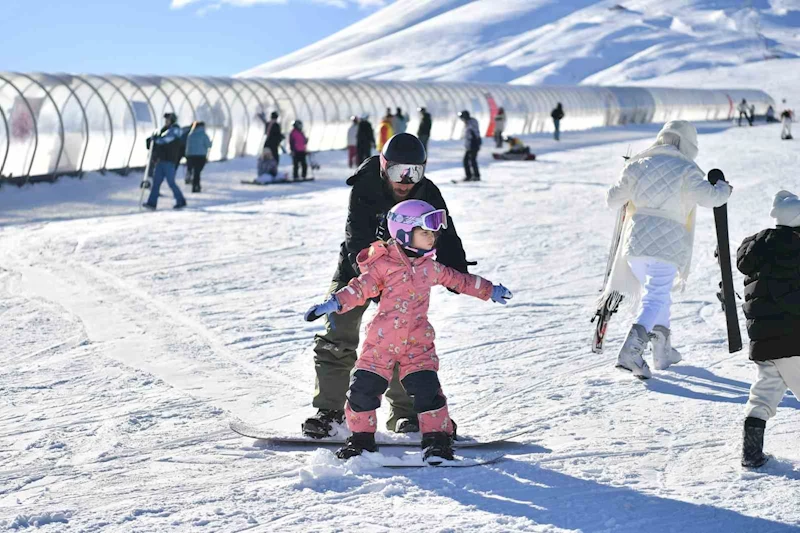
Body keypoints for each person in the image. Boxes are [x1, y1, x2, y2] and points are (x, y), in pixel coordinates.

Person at [304, 199, 513, 462]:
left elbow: (460, 280)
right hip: (380, 343)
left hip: (417, 344)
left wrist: (489, 290)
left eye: (434, 233)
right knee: (362, 391)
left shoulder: (430, 267)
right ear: (403, 232)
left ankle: (437, 441)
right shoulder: (382, 265)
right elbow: (360, 288)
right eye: (425, 232)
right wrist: (334, 303)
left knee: (428, 392)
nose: (432, 238)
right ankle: (361, 440)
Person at [302, 133, 473, 439]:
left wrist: (457, 271)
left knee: (402, 340)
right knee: (337, 332)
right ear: (384, 167)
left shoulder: (427, 192)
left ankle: (405, 415)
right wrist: (371, 281)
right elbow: (356, 236)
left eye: (414, 172)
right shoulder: (366, 186)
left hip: (404, 275)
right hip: (358, 270)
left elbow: (445, 231)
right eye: (398, 172)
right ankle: (329, 412)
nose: (406, 181)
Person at [604, 120, 732, 379]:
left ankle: (662, 351)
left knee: (657, 295)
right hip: (667, 244)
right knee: (656, 296)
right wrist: (723, 189)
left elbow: (612, 200)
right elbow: (711, 198)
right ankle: (631, 350)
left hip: (635, 244)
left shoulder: (638, 163)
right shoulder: (686, 168)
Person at [736, 190, 800, 468]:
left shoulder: (758, 250)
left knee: (763, 396)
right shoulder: (795, 251)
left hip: (764, 341)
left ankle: (751, 454)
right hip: (794, 340)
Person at [143, 112, 187, 210]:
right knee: (156, 182)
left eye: (168, 120)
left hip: (169, 161)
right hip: (161, 161)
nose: (166, 122)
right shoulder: (165, 131)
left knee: (171, 182)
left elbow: (165, 140)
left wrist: (156, 139)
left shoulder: (174, 131)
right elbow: (160, 141)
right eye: (165, 120)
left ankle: (181, 200)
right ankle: (152, 203)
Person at [185, 121, 211, 193]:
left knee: (195, 171)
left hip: (191, 156)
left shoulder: (191, 134)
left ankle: (194, 184)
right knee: (197, 172)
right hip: (201, 156)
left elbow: (188, 146)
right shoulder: (203, 134)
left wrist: (187, 156)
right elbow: (208, 145)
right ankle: (196, 186)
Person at [459, 110, 481, 182]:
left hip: (473, 144)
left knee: (472, 160)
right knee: (467, 160)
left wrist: (473, 144)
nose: (462, 120)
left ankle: (475, 176)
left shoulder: (471, 123)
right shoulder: (468, 123)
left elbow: (473, 134)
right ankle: (470, 175)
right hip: (470, 145)